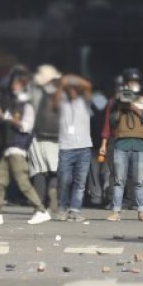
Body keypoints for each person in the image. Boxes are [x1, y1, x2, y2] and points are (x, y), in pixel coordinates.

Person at [0, 66, 51, 226]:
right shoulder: (13, 104)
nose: (14, 86)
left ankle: (40, 210)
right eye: (14, 83)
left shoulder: (28, 106)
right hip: (8, 149)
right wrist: (0, 115)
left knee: (23, 182)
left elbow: (26, 126)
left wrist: (7, 117)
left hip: (18, 149)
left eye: (18, 83)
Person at [99, 68, 143, 222]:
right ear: (125, 84)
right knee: (119, 180)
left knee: (139, 181)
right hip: (121, 143)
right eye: (130, 82)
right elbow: (111, 122)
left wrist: (134, 107)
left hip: (140, 145)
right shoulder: (116, 100)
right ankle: (116, 211)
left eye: (136, 82)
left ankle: (141, 212)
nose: (133, 85)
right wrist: (119, 105)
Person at [56, 73, 94, 221]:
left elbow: (88, 86)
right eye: (69, 88)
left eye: (75, 89)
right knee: (64, 180)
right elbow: (57, 93)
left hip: (84, 147)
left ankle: (75, 210)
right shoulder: (62, 102)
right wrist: (62, 83)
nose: (72, 90)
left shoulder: (85, 102)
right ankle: (62, 208)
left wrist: (73, 79)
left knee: (80, 182)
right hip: (66, 147)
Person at [28, 64, 62, 214]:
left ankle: (39, 205)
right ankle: (53, 190)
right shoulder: (62, 93)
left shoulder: (34, 93)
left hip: (38, 136)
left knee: (39, 171)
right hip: (57, 137)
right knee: (55, 169)